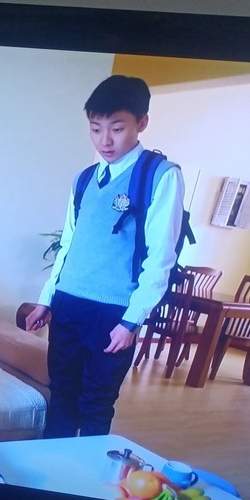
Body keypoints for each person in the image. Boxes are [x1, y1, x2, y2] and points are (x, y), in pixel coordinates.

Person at [25, 75, 184, 438]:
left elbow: (161, 258)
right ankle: (52, 467)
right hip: (68, 304)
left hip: (113, 313)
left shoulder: (159, 176)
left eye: (117, 128)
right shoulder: (84, 180)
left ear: (141, 123)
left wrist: (131, 321)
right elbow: (68, 244)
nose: (105, 140)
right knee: (61, 395)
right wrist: (46, 300)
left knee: (96, 404)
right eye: (96, 129)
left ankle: (87, 472)